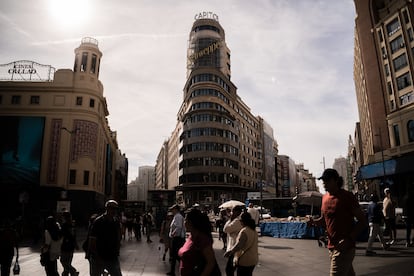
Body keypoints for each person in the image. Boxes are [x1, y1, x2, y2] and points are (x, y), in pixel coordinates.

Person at [308, 168, 367, 276]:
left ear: (336, 180)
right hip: (331, 247)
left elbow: (362, 221)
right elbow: (324, 220)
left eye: (327, 180)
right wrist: (314, 222)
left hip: (345, 248)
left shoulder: (347, 196)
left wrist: (349, 239)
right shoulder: (324, 198)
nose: (324, 183)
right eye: (323, 180)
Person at [178, 208, 221, 276]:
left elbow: (210, 262)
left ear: (191, 222)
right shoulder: (191, 236)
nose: (184, 222)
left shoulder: (202, 238)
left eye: (185, 219)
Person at [88, 200, 122, 276]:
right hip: (99, 257)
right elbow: (92, 240)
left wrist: (117, 249)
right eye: (112, 208)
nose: (114, 210)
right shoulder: (98, 222)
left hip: (112, 257)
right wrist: (96, 257)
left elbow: (118, 237)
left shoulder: (116, 221)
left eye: (116, 208)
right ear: (106, 208)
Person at [223, 205, 243, 276]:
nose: (231, 212)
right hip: (235, 247)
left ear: (237, 212)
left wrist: (230, 219)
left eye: (233, 211)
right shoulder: (237, 220)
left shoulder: (237, 221)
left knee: (229, 270)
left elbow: (225, 229)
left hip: (235, 248)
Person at [167, 204, 186, 276]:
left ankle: (184, 265)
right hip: (177, 238)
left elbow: (179, 227)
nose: (172, 210)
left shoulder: (178, 216)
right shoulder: (177, 216)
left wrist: (173, 234)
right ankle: (172, 271)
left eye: (173, 209)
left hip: (177, 238)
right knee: (174, 255)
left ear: (176, 210)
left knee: (176, 255)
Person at [60, 211, 79, 276]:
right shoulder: (72, 224)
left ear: (64, 217)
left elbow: (61, 235)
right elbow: (74, 235)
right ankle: (66, 273)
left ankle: (73, 271)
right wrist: (75, 244)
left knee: (63, 261)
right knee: (68, 262)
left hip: (65, 246)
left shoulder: (64, 225)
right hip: (71, 246)